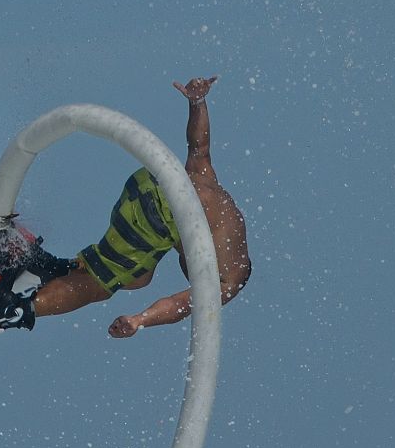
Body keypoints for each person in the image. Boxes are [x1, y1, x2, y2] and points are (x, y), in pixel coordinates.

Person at [30, 76, 252, 337]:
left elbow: (199, 147)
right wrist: (139, 320)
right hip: (160, 211)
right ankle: (19, 310)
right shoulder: (229, 281)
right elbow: (179, 305)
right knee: (104, 280)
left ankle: (51, 267)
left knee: (139, 276)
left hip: (145, 183)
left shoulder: (214, 195)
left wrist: (197, 102)